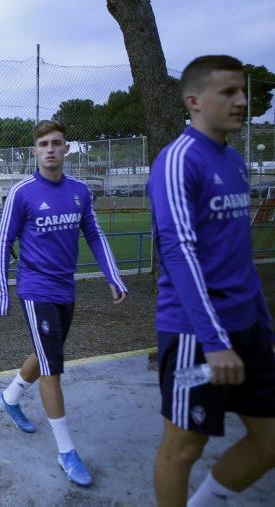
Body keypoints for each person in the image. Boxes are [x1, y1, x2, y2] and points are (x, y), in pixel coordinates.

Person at [148, 55, 275, 506]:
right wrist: (215, 340)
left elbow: (237, 256)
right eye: (229, 93)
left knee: (269, 443)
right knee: (183, 448)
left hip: (249, 328)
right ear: (195, 100)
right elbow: (180, 255)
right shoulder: (177, 161)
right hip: (194, 335)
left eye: (243, 92)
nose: (242, 101)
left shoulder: (236, 161)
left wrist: (262, 323)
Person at [0, 119, 128, 487]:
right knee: (53, 369)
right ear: (34, 151)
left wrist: (113, 277)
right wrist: (2, 289)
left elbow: (95, 235)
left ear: (66, 149)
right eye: (44, 144)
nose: (51, 149)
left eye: (57, 143)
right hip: (36, 291)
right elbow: (4, 242)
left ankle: (10, 396)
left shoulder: (80, 191)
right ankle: (66, 451)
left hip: (66, 289)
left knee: (47, 351)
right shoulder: (22, 192)